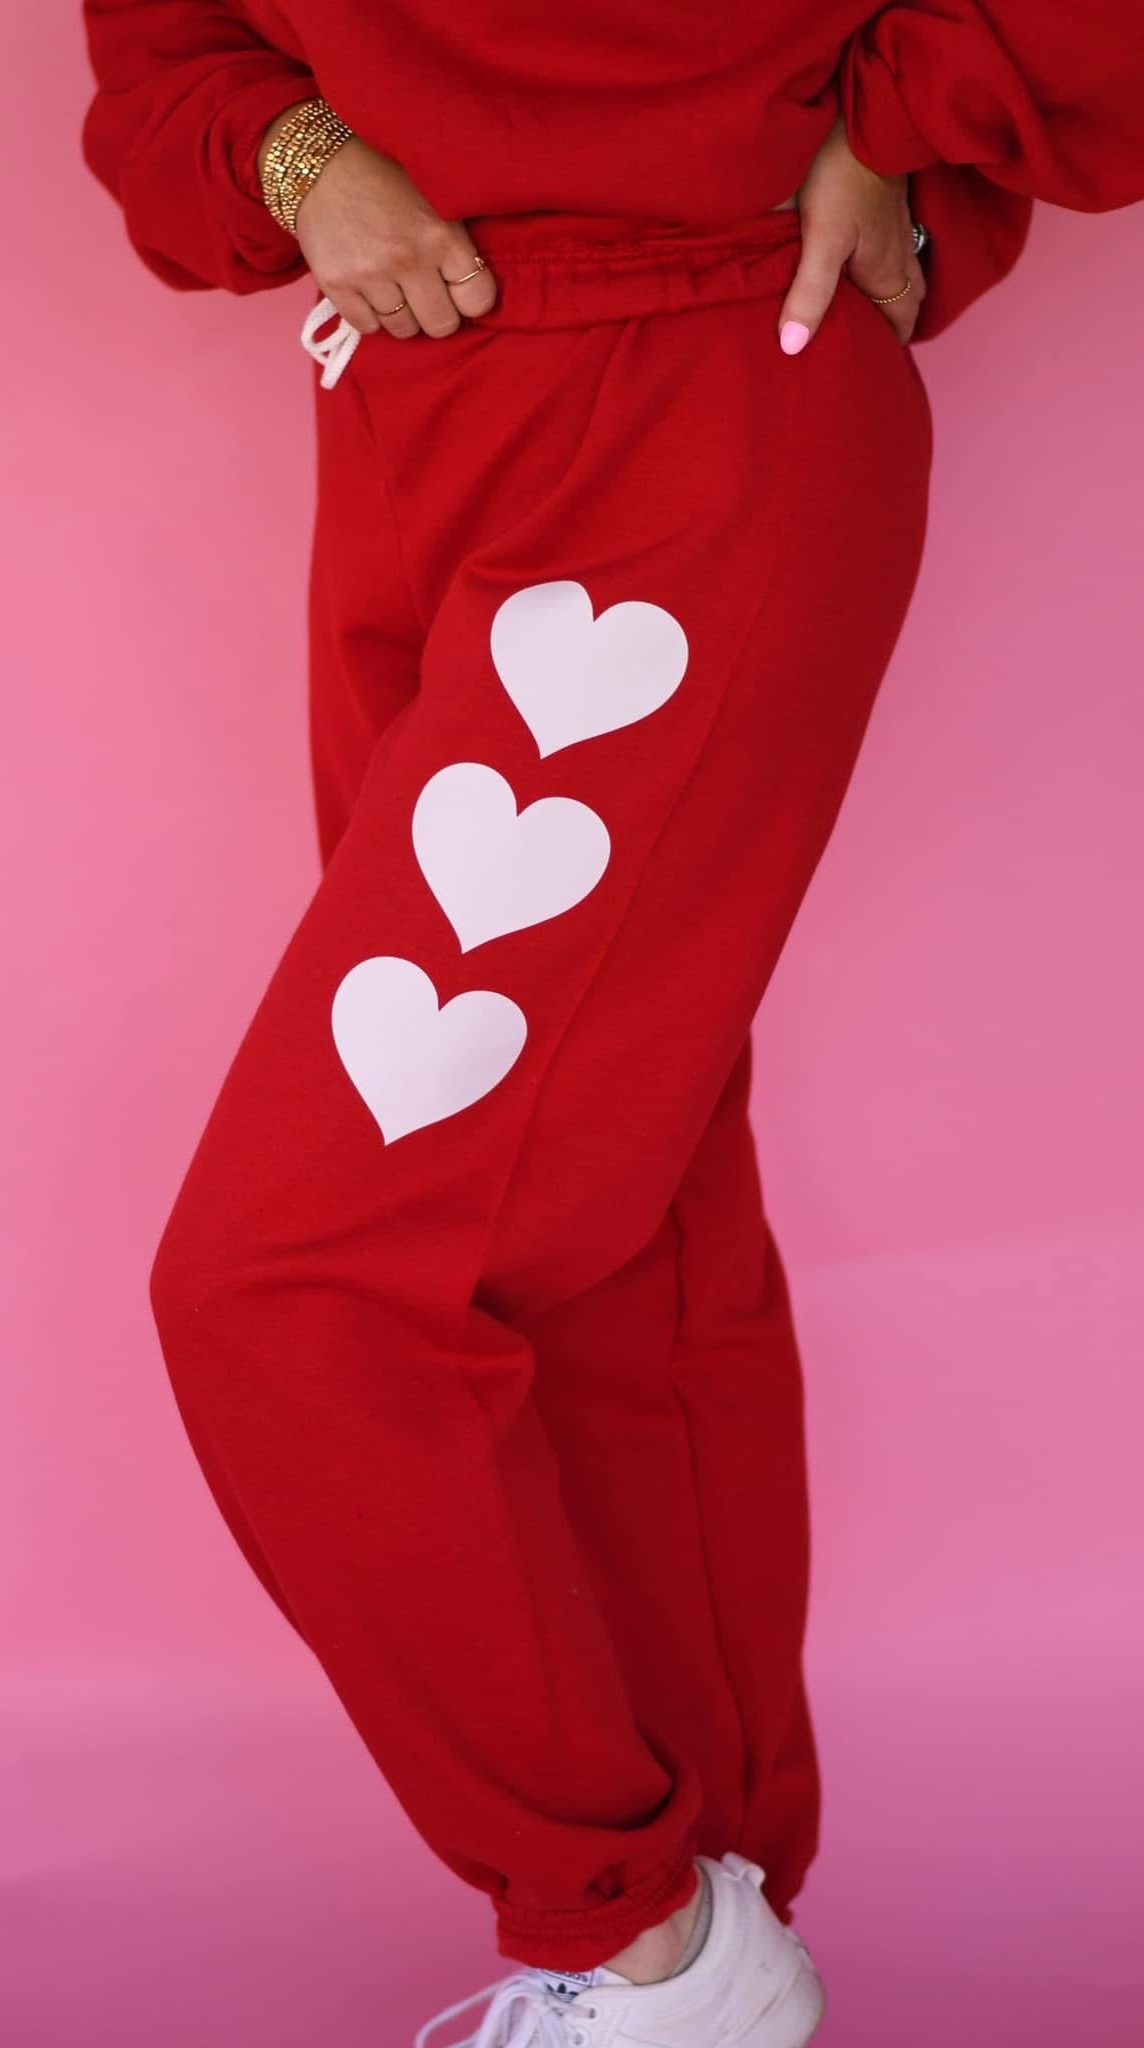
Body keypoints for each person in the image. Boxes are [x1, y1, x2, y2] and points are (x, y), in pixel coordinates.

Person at [79, 7, 1144, 2044]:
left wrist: (897, 126)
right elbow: (169, 45)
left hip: (695, 381)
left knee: (301, 1275)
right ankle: (705, 1923)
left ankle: (630, 1931)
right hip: (411, 419)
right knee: (600, 1236)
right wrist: (298, 158)